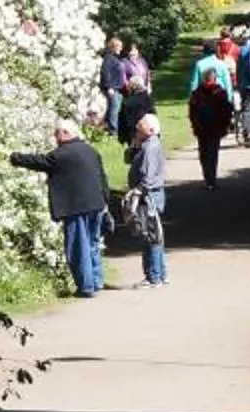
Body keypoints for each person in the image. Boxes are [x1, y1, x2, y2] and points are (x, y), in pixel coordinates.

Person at [9, 120, 111, 295]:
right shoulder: (90, 150)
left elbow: (39, 161)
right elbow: (102, 177)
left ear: (65, 133)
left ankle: (86, 287)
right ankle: (96, 281)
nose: (55, 138)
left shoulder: (62, 154)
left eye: (57, 134)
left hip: (76, 207)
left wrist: (15, 158)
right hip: (96, 204)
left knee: (78, 247)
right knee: (92, 244)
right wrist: (105, 201)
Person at [124, 112, 169, 285]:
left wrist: (137, 191)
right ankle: (160, 274)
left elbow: (148, 176)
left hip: (148, 196)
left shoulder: (150, 147)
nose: (136, 128)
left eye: (140, 126)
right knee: (155, 234)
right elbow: (127, 159)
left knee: (151, 235)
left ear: (150, 130)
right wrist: (135, 145)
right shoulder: (146, 145)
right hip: (150, 194)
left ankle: (153, 276)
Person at [185, 68, 235, 187]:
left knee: (203, 152)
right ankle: (211, 178)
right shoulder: (220, 92)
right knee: (213, 152)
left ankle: (207, 175)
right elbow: (226, 110)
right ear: (215, 78)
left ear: (203, 78)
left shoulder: (197, 93)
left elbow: (192, 110)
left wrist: (194, 124)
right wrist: (226, 124)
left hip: (201, 127)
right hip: (216, 127)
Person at [97, 36, 136, 136]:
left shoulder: (115, 58)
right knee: (113, 110)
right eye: (119, 46)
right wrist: (109, 87)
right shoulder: (109, 58)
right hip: (113, 89)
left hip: (118, 89)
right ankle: (113, 132)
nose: (121, 48)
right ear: (113, 47)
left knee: (115, 109)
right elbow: (105, 72)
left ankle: (107, 128)